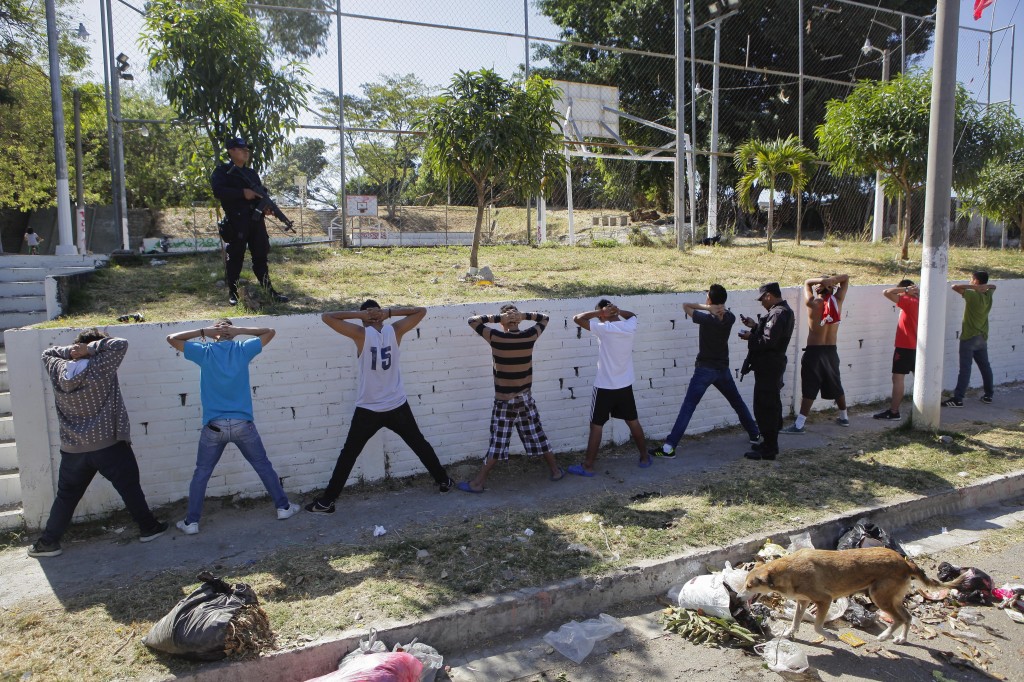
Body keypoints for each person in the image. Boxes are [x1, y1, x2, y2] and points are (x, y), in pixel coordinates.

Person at [305, 301, 455, 514]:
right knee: (419, 443)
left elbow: (327, 316)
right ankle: (444, 480)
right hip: (396, 404)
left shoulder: (361, 333)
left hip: (370, 408)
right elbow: (421, 311)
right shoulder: (395, 330)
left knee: (348, 455)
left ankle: (327, 501)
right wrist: (388, 313)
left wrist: (361, 316)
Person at [29, 330, 168, 557]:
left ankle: (48, 542)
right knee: (129, 488)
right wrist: (90, 349)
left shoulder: (57, 369)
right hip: (109, 444)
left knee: (66, 496)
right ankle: (148, 527)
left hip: (73, 448)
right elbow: (120, 343)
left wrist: (70, 352)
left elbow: (47, 352)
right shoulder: (100, 365)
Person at [167, 320, 299, 534]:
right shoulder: (242, 349)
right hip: (242, 424)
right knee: (263, 466)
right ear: (232, 334)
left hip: (214, 427)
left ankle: (192, 522)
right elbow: (270, 331)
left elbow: (172, 338)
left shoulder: (204, 351)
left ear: (213, 335)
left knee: (202, 473)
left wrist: (204, 332)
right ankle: (283, 507)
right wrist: (239, 331)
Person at [458, 304, 564, 492]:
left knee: (498, 442)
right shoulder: (529, 336)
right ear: (519, 320)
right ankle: (555, 471)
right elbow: (545, 318)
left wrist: (499, 318)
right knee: (537, 434)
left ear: (503, 323)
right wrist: (522, 315)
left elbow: (472, 321)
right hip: (525, 399)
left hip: (504, 401)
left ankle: (478, 483)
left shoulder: (496, 337)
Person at [649, 285, 760, 459]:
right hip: (722, 369)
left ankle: (669, 447)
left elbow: (686, 305)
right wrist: (713, 307)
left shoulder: (707, 319)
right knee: (737, 403)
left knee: (688, 407)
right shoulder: (729, 317)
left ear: (709, 299)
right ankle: (755, 434)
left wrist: (706, 307)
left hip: (704, 370)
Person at [569, 299, 650, 475]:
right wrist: (618, 311)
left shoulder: (605, 329)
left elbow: (577, 318)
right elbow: (633, 315)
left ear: (603, 315)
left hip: (605, 386)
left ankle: (588, 466)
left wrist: (601, 313)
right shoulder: (629, 326)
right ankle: (644, 457)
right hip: (624, 384)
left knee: (596, 426)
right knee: (633, 421)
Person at [210, 137, 288, 306]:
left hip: (256, 221)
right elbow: (218, 191)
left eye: (247, 149)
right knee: (236, 257)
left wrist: (266, 208)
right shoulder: (222, 171)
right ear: (231, 151)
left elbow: (260, 195)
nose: (246, 152)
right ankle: (234, 293)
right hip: (237, 222)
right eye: (241, 149)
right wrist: (242, 192)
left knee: (261, 256)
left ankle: (269, 291)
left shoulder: (251, 173)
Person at [782, 274, 851, 434]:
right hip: (831, 351)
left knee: (810, 387)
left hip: (815, 352)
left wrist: (820, 281)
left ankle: (799, 425)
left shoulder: (814, 303)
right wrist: (832, 281)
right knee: (836, 383)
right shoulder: (838, 301)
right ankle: (844, 417)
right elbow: (846, 278)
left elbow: (806, 283)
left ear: (818, 288)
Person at [738, 283, 795, 461]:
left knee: (765, 406)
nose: (762, 302)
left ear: (769, 296)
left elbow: (768, 341)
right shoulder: (783, 311)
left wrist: (750, 337)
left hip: (769, 366)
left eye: (762, 298)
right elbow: (770, 335)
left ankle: (770, 447)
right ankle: (768, 443)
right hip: (771, 366)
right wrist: (755, 326)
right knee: (768, 405)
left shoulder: (778, 313)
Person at [943, 271, 996, 407]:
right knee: (985, 367)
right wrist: (985, 287)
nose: (970, 281)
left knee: (965, 369)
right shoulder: (988, 294)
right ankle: (989, 395)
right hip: (982, 337)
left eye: (972, 279)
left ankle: (958, 398)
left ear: (976, 282)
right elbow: (994, 286)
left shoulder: (973, 296)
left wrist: (974, 288)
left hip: (969, 337)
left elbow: (954, 287)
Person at [874, 280, 919, 420]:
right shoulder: (923, 302)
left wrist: (904, 291)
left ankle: (894, 412)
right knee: (921, 378)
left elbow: (886, 292)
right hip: (919, 347)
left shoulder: (908, 300)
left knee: (898, 378)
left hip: (905, 346)